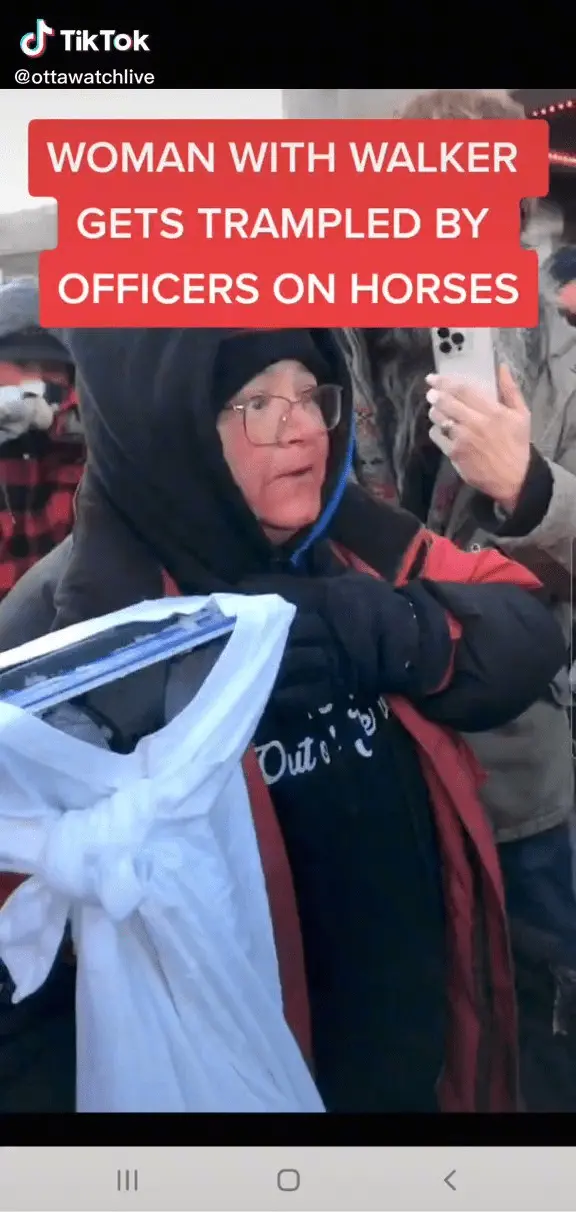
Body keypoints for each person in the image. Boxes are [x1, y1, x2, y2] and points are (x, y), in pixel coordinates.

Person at [0, 326, 565, 1114]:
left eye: (310, 396)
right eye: (258, 404)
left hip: (426, 1068)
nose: (302, 429)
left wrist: (392, 629)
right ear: (166, 426)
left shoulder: (351, 542)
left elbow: (525, 626)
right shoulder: (73, 634)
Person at [344, 86, 576, 1110]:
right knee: (405, 1033)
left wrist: (525, 485)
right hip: (372, 767)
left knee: (539, 1030)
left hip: (519, 772)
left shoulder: (559, 356)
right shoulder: (336, 344)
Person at [0, 277, 84, 601]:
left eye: (50, 366)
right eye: (21, 364)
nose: (34, 379)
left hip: (65, 619)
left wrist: (62, 421)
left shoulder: (88, 446)